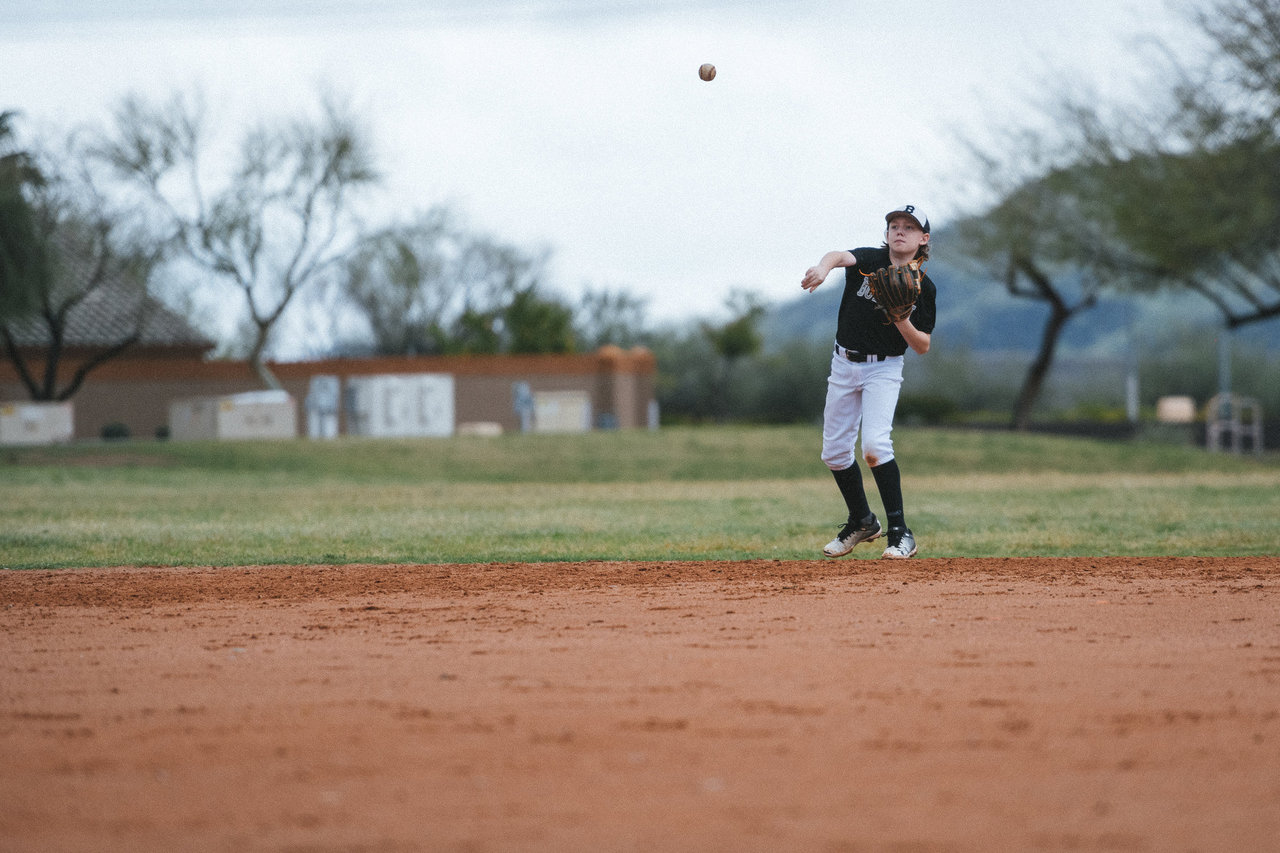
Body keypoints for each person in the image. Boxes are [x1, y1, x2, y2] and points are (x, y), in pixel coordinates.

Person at [800, 204, 937, 559]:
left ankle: (900, 533)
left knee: (875, 447)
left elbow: (922, 345)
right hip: (843, 363)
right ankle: (862, 521)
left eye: (909, 226)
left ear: (923, 239)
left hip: (884, 369)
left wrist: (900, 318)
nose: (899, 231)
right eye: (894, 225)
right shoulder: (869, 261)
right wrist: (821, 268)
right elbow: (837, 255)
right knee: (833, 453)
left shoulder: (925, 288)